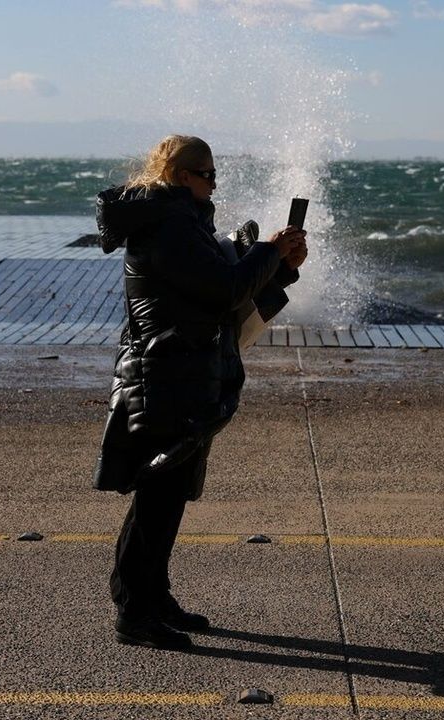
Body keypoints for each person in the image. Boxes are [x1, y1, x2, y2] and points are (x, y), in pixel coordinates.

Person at [92, 135, 307, 649]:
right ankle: (135, 612)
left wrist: (283, 267)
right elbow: (225, 289)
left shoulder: (180, 221)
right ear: (182, 175)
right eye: (208, 175)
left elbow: (222, 297)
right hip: (164, 373)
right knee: (158, 493)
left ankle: (150, 595)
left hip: (181, 370)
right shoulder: (168, 224)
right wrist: (269, 250)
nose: (214, 184)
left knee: (167, 490)